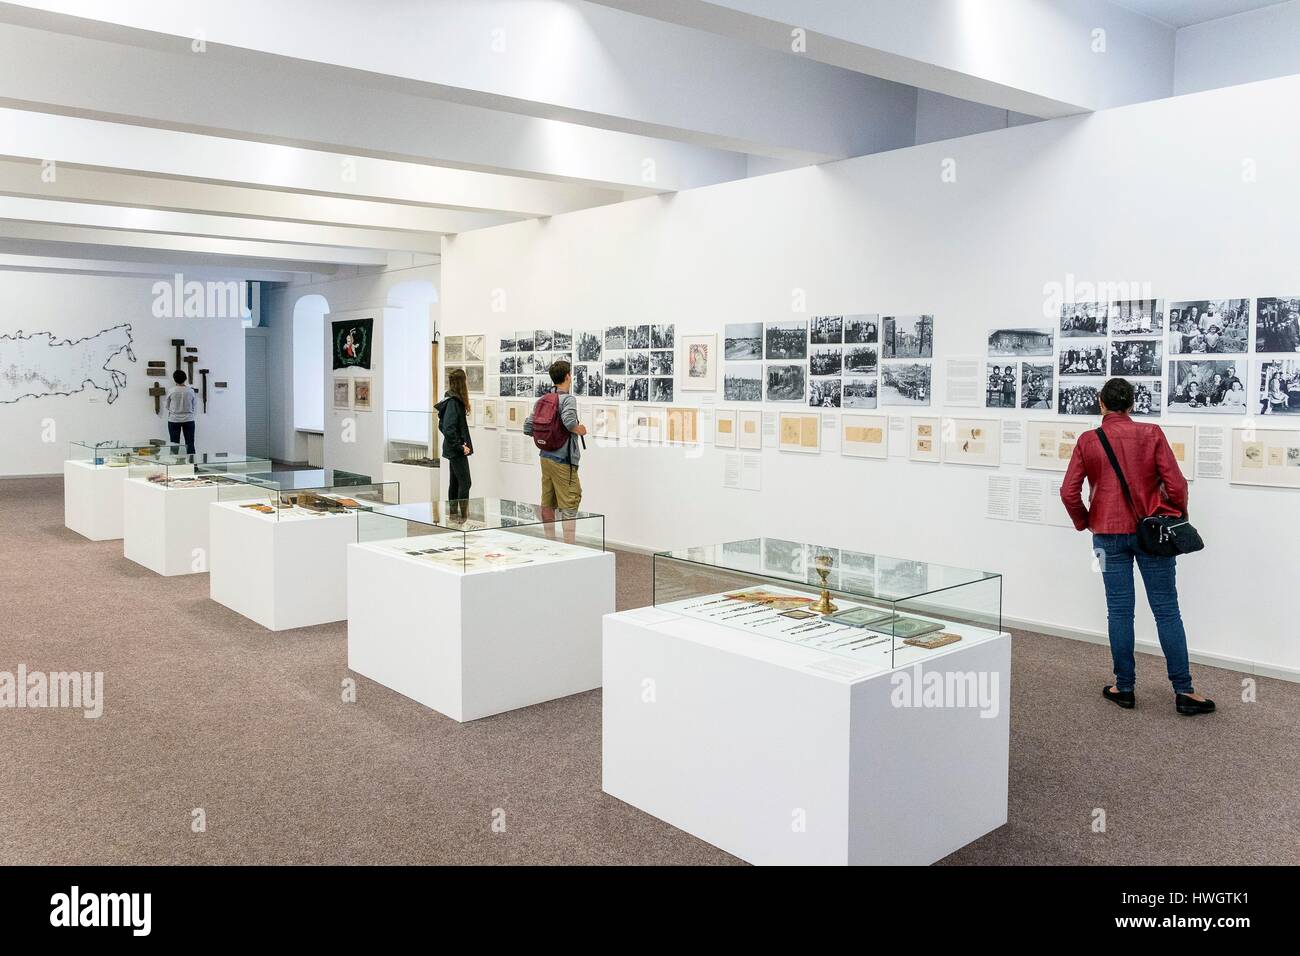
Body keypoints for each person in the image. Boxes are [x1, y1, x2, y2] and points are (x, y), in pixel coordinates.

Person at [1059, 377, 1214, 716]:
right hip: (1152, 534)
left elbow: (1068, 491)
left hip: (1107, 535)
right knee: (1167, 610)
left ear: (1101, 403)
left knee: (1119, 610)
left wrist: (1085, 520)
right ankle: (1184, 690)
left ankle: (1124, 687)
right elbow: (1176, 484)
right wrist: (1175, 515)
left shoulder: (1088, 440)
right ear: (1131, 404)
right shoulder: (1152, 433)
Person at [524, 359, 587, 521]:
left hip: (545, 457)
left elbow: (528, 426)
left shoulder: (543, 399)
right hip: (563, 460)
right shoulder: (568, 399)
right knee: (570, 503)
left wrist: (546, 437)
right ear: (568, 376)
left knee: (547, 502)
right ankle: (569, 546)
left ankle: (549, 543)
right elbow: (569, 422)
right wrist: (581, 429)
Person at [434, 368, 473, 505]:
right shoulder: (453, 402)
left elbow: (443, 426)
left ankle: (453, 515)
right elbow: (448, 428)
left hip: (453, 449)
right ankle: (461, 516)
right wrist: (460, 446)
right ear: (462, 383)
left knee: (455, 482)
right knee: (465, 483)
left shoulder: (451, 400)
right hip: (456, 450)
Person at [161, 369, 198, 454]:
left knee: (174, 444)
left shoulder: (172, 390)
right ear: (185, 378)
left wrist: (175, 410)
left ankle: (174, 466)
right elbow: (194, 405)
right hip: (188, 419)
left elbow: (167, 406)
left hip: (174, 419)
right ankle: (192, 465)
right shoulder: (190, 391)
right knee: (190, 443)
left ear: (174, 379)